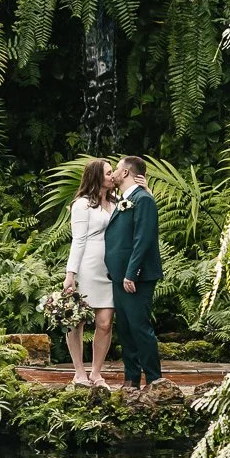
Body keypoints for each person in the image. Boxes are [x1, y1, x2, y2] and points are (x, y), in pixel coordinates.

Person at [102, 154, 164, 389]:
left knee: (139, 327)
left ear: (126, 172)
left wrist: (132, 272)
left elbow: (143, 239)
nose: (115, 174)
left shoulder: (143, 199)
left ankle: (155, 380)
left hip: (136, 277)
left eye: (116, 169)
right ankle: (131, 379)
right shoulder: (125, 199)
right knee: (125, 328)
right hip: (119, 276)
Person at [62, 159, 117, 389]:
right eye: (108, 173)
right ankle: (79, 372)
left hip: (110, 267)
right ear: (96, 177)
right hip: (87, 266)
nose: (113, 176)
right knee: (78, 320)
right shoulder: (82, 205)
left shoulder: (116, 202)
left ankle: (96, 372)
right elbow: (79, 240)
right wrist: (70, 273)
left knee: (104, 322)